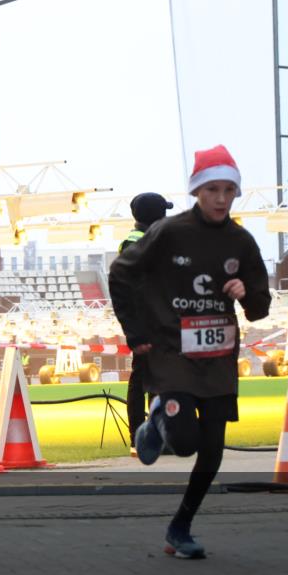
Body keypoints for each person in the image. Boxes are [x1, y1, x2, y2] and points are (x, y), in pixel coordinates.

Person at [108, 145, 270, 559]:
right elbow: (121, 274)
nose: (220, 198)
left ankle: (181, 527)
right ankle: (159, 418)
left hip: (217, 358)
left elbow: (260, 306)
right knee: (184, 444)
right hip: (172, 353)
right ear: (197, 190)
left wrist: (246, 293)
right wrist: (136, 332)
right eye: (212, 189)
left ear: (236, 193)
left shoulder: (241, 241)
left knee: (212, 450)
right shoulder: (169, 232)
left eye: (228, 190)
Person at [115, 192, 174, 454]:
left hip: (150, 323)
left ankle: (154, 436)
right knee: (144, 381)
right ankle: (142, 438)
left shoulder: (136, 241)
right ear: (159, 216)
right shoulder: (141, 244)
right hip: (150, 324)